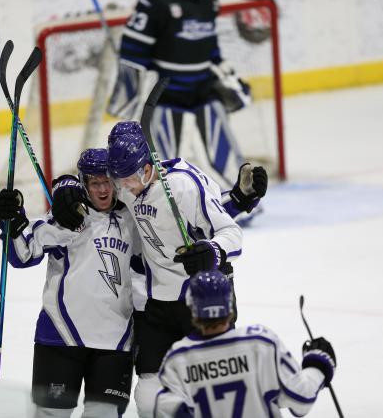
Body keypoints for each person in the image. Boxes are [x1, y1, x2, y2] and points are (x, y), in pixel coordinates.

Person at [106, 120, 266, 417]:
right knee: (148, 393)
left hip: (201, 300)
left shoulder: (185, 184)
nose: (122, 187)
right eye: (118, 180)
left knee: (212, 387)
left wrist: (212, 252)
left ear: (146, 166)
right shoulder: (128, 185)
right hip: (157, 305)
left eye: (127, 178)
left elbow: (231, 234)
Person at [0, 149, 145, 418]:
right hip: (60, 338)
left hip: (116, 343)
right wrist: (10, 222)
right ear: (84, 184)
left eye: (107, 181)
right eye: (95, 183)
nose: (103, 189)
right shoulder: (67, 218)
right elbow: (22, 255)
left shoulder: (134, 218)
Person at [107, 0, 252, 188]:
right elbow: (133, 52)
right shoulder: (155, 3)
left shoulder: (209, 2)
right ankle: (153, 206)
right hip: (166, 95)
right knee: (158, 162)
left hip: (204, 89)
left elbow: (210, 47)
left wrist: (226, 73)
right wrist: (129, 95)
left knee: (225, 154)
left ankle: (241, 199)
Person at [154, 270, 337, 417]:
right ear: (229, 304)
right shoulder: (260, 343)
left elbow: (166, 410)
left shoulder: (177, 358)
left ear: (192, 308)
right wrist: (317, 366)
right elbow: (301, 400)